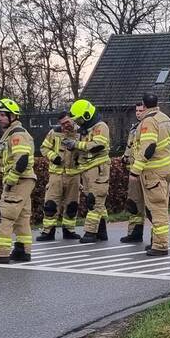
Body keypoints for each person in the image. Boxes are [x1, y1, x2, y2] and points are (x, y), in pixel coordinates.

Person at [0, 99, 35, 264]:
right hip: (25, 180)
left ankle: (0, 253)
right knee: (22, 217)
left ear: (13, 116)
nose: (0, 118)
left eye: (3, 115)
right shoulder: (13, 133)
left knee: (4, 216)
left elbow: (22, 159)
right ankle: (22, 250)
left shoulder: (17, 134)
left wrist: (11, 180)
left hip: (18, 180)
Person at [129, 92, 170, 256]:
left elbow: (148, 149)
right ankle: (156, 241)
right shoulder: (165, 118)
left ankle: (160, 245)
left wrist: (135, 171)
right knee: (160, 206)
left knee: (157, 209)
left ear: (144, 105)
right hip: (166, 169)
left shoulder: (148, 122)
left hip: (153, 172)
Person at [67, 99, 110, 244]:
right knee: (95, 200)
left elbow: (97, 145)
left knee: (95, 200)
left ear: (86, 115)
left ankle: (90, 232)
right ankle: (102, 231)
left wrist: (76, 144)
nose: (78, 122)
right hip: (87, 169)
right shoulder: (85, 130)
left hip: (98, 169)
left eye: (79, 119)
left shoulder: (100, 127)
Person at [37, 114, 81, 241]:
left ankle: (69, 230)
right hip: (56, 174)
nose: (64, 126)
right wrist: (53, 157)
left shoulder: (81, 132)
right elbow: (44, 147)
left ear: (73, 119)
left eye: (66, 122)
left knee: (72, 204)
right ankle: (48, 232)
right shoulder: (54, 132)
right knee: (51, 204)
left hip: (74, 174)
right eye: (62, 124)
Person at [120, 103, 147, 243]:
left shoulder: (149, 127)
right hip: (133, 171)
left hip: (146, 171)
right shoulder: (134, 128)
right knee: (133, 203)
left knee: (150, 206)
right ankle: (135, 233)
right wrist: (125, 157)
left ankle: (158, 238)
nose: (138, 113)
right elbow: (130, 147)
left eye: (141, 110)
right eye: (136, 110)